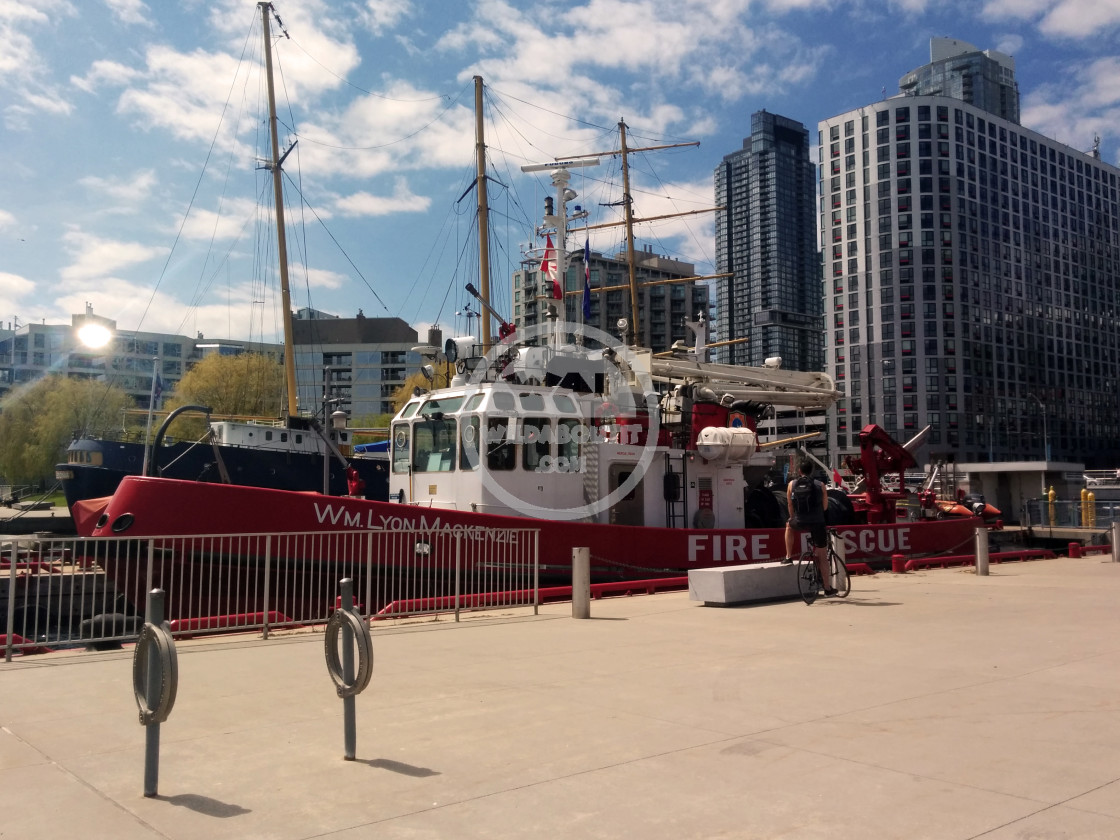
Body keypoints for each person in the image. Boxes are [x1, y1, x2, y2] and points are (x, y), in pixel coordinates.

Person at [784, 461, 832, 595]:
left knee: (788, 526)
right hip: (817, 522)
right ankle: (827, 588)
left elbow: (789, 504)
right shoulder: (820, 485)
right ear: (812, 471)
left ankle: (788, 556)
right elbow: (825, 507)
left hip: (799, 521)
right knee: (823, 556)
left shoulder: (791, 484)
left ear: (799, 471)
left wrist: (793, 517)